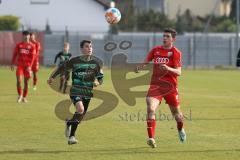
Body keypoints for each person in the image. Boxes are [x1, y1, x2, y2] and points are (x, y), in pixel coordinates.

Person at [135, 28, 186, 148]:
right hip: (155, 86)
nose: (164, 38)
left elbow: (178, 72)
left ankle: (180, 129)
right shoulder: (155, 50)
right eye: (164, 36)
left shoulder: (175, 52)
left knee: (177, 115)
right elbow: (146, 61)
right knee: (150, 108)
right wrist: (139, 67)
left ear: (173, 39)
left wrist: (168, 68)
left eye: (167, 36)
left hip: (170, 88)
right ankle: (151, 138)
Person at [48, 40, 103, 145]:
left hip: (87, 92)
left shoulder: (96, 63)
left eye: (91, 46)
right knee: (80, 109)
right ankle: (72, 137)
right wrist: (53, 77)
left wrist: (97, 82)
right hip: (76, 90)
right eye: (87, 46)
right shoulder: (75, 61)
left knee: (80, 118)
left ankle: (69, 122)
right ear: (82, 49)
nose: (89, 48)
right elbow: (62, 68)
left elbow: (100, 78)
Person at [11, 31, 36, 103]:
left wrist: (30, 67)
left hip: (27, 67)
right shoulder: (19, 45)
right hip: (20, 66)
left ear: (29, 36)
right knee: (19, 81)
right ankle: (20, 96)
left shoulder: (32, 46)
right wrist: (12, 63)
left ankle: (24, 97)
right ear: (22, 36)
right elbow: (15, 54)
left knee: (26, 83)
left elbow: (32, 57)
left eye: (27, 35)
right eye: (24, 35)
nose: (26, 36)